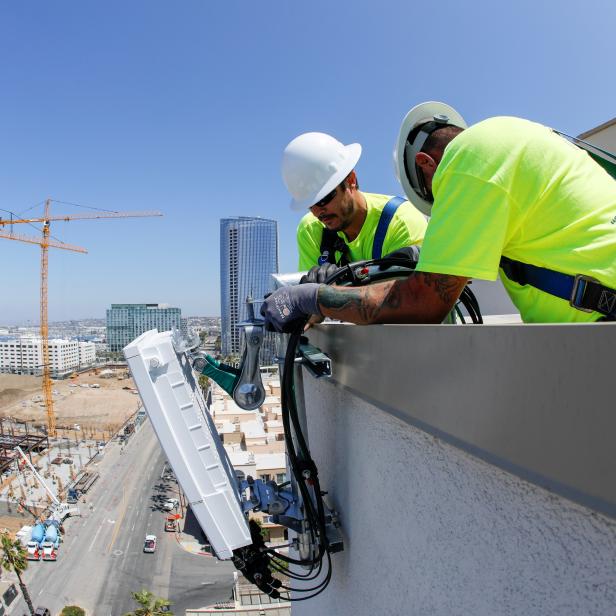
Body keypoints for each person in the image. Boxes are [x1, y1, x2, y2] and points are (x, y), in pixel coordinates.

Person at [262, 101, 616, 331]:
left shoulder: (469, 164)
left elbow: (425, 303)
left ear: (425, 165)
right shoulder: (509, 140)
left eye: (436, 198)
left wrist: (312, 297)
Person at [282, 131, 428, 281]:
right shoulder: (311, 230)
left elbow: (409, 300)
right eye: (310, 205)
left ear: (351, 179)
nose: (318, 212)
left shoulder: (401, 222)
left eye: (324, 199)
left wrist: (334, 292)